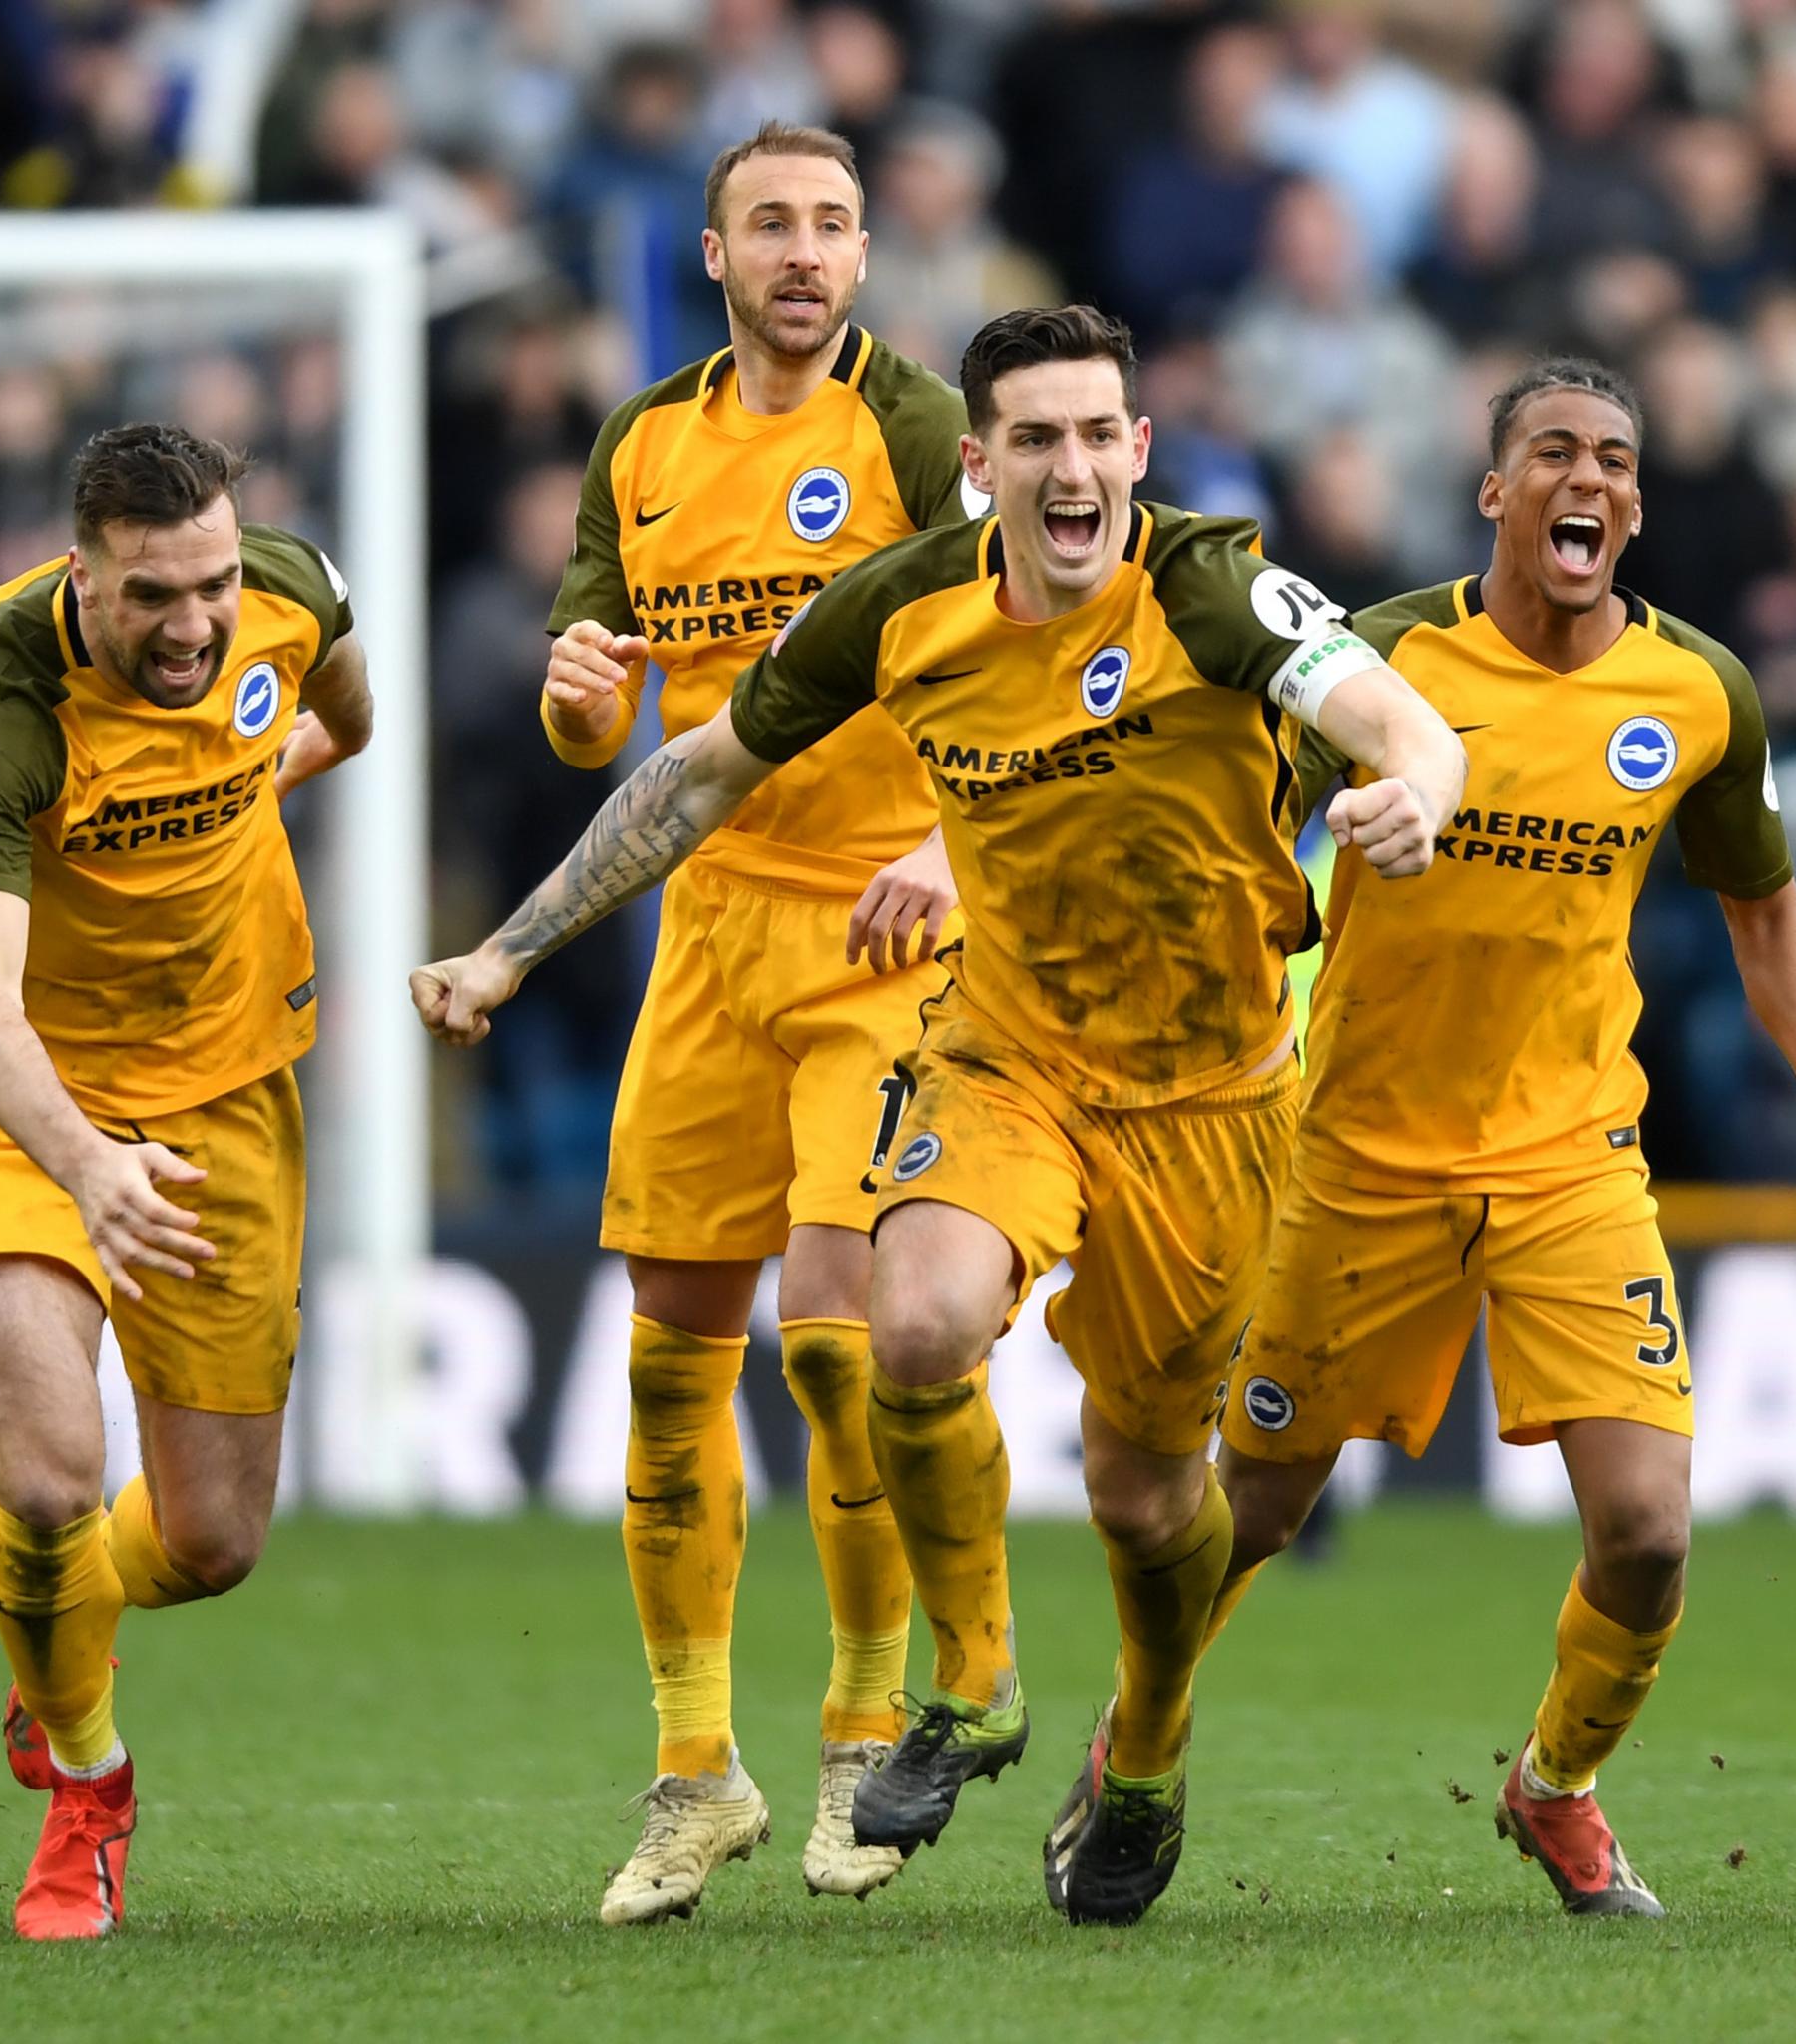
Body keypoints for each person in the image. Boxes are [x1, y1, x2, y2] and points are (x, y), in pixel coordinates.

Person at [416, 305, 1465, 1928]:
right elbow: (696, 776)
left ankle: (1150, 1748)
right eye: (1033, 439)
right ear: (977, 467)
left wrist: (1413, 796)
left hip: (1212, 1100)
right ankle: (972, 1686)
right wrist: (507, 947)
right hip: (1005, 1058)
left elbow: (1396, 718)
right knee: (906, 1331)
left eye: (1097, 435)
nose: (1071, 466)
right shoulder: (899, 609)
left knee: (1144, 1496)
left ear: (1136, 451)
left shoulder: (1210, 584)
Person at [1210, 359, 1796, 1918]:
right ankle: (1133, 1751)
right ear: (1496, 493)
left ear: (1637, 506)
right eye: (1553, 454)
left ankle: (1555, 1787)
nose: (1586, 479)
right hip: (1360, 1157)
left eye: (1615, 458)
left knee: (1651, 1536)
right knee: (1249, 1513)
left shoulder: (1697, 694)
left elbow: (1766, 909)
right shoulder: (1382, 659)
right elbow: (1231, 831)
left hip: (1570, 1160)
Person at [537, 118, 975, 1927]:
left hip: (886, 928)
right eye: (770, 225)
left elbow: (1038, 631)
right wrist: (575, 700)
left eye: (833, 225)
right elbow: (602, 720)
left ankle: (866, 1733)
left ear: (864, 258)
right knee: (667, 1364)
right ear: (712, 256)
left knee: (834, 1345)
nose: (804, 251)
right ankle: (693, 1770)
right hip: (709, 938)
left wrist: (956, 837)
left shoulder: (923, 428)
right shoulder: (641, 443)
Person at [0, 423, 371, 1941]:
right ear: (84, 571)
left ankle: (54, 1653)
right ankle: (88, 1786)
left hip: (228, 1091)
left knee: (213, 1542)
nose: (193, 626)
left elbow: (342, 709)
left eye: (213, 587)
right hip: (22, 1102)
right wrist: (89, 1164)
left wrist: (279, 765)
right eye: (153, 596)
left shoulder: (289, 596)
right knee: (45, 1477)